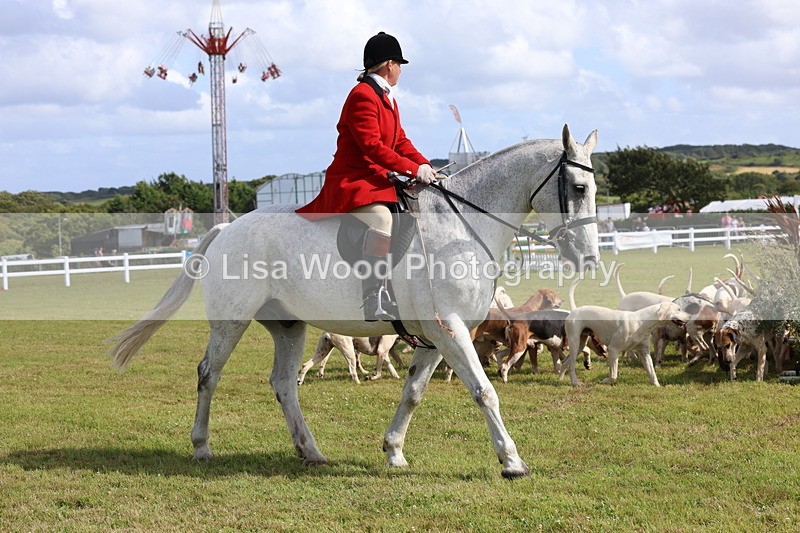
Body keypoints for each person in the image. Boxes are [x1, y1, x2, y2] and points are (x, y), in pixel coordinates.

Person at [296, 32, 435, 321]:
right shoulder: (362, 96)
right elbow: (372, 147)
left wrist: (424, 165)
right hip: (353, 181)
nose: (401, 70)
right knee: (382, 218)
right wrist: (411, 170)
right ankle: (374, 296)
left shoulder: (387, 98)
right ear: (388, 64)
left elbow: (400, 142)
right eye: (399, 64)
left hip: (375, 178)